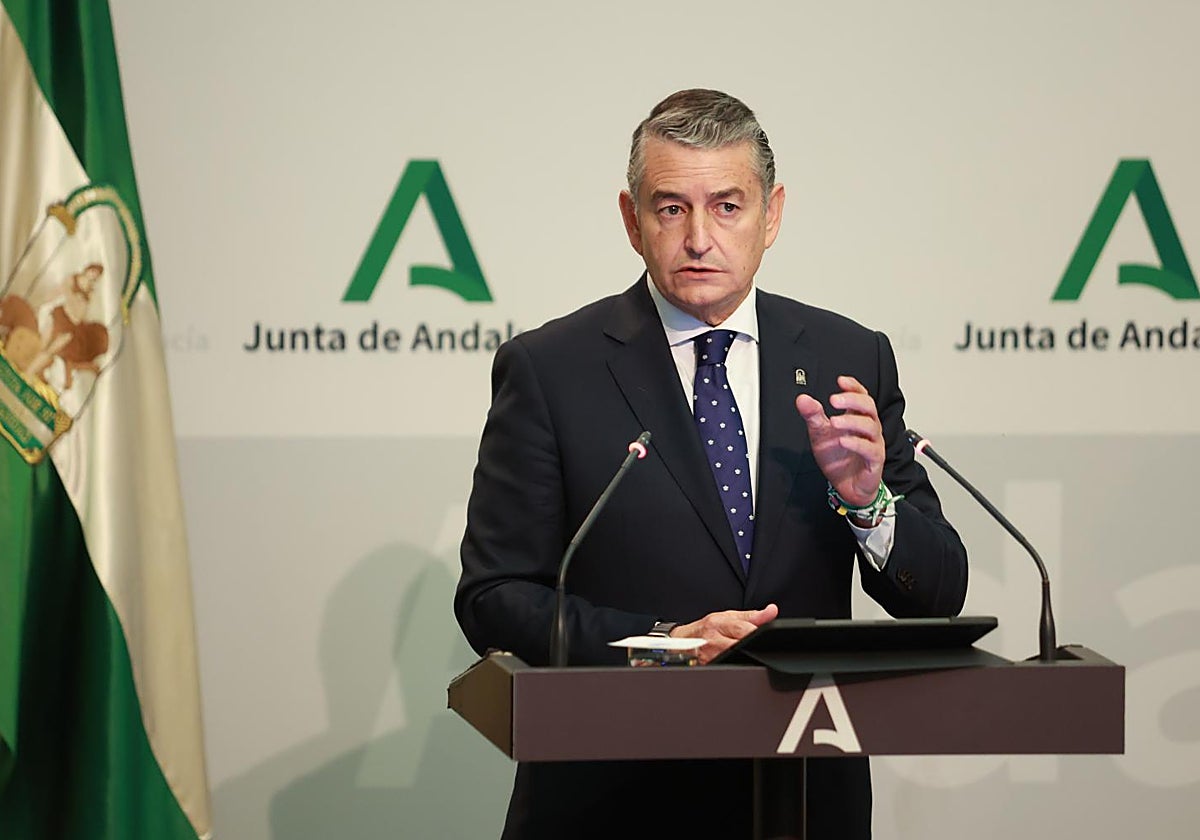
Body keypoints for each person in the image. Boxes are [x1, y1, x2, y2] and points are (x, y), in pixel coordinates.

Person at [455, 89, 968, 840]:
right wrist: (668, 644)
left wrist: (869, 506)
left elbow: (938, 593)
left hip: (802, 800)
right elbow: (494, 595)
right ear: (632, 222)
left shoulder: (846, 359)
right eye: (671, 209)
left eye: (727, 206)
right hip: (613, 800)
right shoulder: (551, 369)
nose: (699, 237)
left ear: (773, 214)